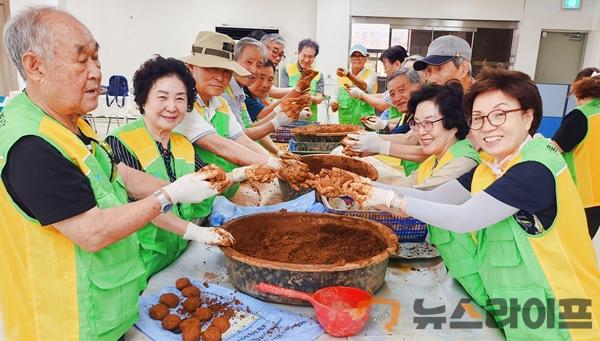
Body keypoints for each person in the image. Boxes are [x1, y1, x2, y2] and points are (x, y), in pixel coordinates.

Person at [0, 7, 233, 340]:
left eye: (97, 58)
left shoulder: (70, 122)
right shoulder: (32, 145)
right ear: (35, 66)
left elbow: (116, 174)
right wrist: (168, 196)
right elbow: (92, 231)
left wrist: (182, 186)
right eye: (82, 60)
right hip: (65, 324)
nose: (96, 72)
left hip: (104, 311)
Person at [353, 68, 600, 339]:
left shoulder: (535, 168)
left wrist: (391, 200)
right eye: (479, 118)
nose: (487, 127)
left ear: (528, 116)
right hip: (523, 309)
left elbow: (464, 218)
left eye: (500, 115)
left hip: (563, 315)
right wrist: (361, 187)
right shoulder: (491, 166)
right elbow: (436, 196)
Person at [105, 56, 232, 278]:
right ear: (144, 99)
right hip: (140, 261)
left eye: (180, 98)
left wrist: (243, 174)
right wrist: (196, 233)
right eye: (162, 97)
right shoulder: (119, 142)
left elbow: (208, 185)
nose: (172, 107)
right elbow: (145, 206)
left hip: (177, 255)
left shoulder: (183, 144)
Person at [173, 32, 294, 185]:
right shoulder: (183, 104)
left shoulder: (220, 104)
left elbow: (243, 140)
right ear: (191, 67)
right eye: (211, 68)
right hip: (189, 194)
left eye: (226, 71)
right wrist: (277, 165)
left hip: (219, 189)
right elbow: (222, 146)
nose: (220, 77)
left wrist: (276, 161)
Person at [552, 67, 600, 239]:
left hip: (579, 197)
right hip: (597, 199)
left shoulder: (581, 116)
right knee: (583, 246)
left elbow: (553, 150)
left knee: (568, 247)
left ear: (579, 90)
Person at [350, 45, 408, 114]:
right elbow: (384, 96)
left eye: (385, 67)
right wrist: (359, 95)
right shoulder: (399, 80)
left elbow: (383, 104)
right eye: (354, 57)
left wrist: (361, 94)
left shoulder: (401, 82)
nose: (385, 71)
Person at [331, 43, 378, 125]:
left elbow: (365, 87)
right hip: (346, 123)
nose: (357, 58)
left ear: (365, 58)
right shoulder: (340, 77)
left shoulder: (372, 74)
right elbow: (334, 96)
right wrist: (333, 103)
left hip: (365, 123)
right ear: (349, 59)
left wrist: (348, 75)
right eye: (354, 56)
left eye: (360, 56)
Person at [280, 38, 324, 121]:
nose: (307, 60)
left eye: (310, 57)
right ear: (298, 53)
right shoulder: (287, 70)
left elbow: (319, 99)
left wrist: (309, 97)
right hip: (290, 118)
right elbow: (283, 95)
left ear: (315, 57)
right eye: (304, 56)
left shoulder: (318, 75)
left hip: (310, 119)